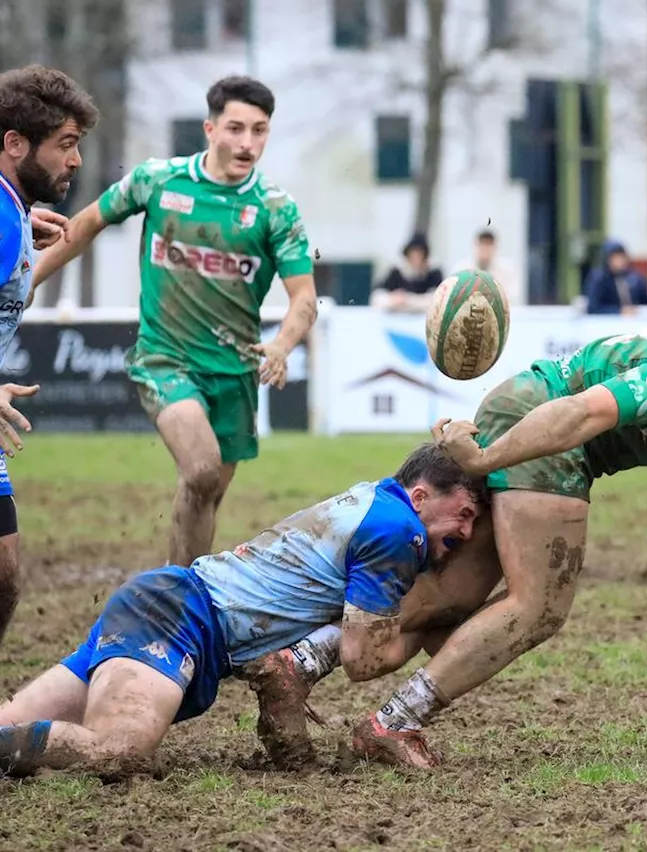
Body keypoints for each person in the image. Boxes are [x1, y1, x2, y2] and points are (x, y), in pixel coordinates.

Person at [247, 287, 647, 768]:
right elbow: (581, 412)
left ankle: (296, 664)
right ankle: (389, 724)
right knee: (540, 606)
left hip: (547, 428)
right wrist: (485, 459)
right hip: (547, 426)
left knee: (456, 594)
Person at [0, 443, 487, 775]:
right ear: (420, 496)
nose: (465, 534)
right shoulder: (400, 530)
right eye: (463, 514)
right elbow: (362, 659)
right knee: (117, 752)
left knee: (11, 726)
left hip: (169, 603)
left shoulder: (377, 499)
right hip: (180, 620)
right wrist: (426, 624)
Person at [31, 75, 318, 569]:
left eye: (259, 130)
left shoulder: (275, 209)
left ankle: (179, 592)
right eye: (235, 128)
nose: (248, 143)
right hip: (165, 359)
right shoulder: (159, 180)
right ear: (209, 128)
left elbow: (305, 298)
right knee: (202, 470)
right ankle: (175, 603)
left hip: (235, 373)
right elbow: (86, 224)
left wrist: (283, 345)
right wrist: (29, 279)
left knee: (205, 495)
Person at [0, 65, 99, 646]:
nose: (76, 160)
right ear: (15, 144)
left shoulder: (13, 213)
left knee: (5, 579)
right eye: (65, 145)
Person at [371, 232, 443, 313]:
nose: (416, 258)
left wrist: (408, 299)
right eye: (412, 254)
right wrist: (392, 299)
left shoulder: (433, 273)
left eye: (419, 255)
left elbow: (438, 300)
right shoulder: (397, 272)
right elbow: (377, 296)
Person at [584, 240, 647, 315]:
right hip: (607, 323)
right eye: (615, 258)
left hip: (634, 321)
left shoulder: (635, 278)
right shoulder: (598, 279)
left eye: (622, 257)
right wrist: (619, 311)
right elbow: (593, 308)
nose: (619, 261)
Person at [452, 228, 518, 288]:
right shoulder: (462, 269)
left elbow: (510, 296)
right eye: (482, 245)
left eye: (488, 246)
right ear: (475, 246)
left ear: (495, 248)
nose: (485, 250)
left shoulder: (506, 269)